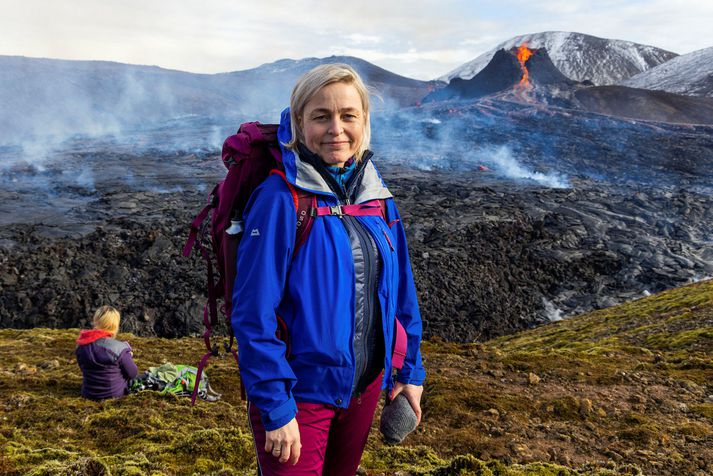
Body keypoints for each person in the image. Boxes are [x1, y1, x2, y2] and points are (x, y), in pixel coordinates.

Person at [231, 63, 426, 475]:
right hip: (300, 395)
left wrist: (410, 373)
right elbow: (252, 315)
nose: (336, 128)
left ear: (364, 122)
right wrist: (276, 407)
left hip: (364, 390)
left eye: (348, 115)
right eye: (321, 116)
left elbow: (402, 296)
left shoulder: (377, 198)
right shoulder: (280, 200)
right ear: (299, 123)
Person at [76, 305, 138, 400]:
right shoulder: (120, 348)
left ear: (96, 321)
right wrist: (128, 355)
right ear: (115, 325)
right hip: (114, 395)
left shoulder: (81, 346)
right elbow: (133, 373)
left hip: (88, 394)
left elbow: (83, 369)